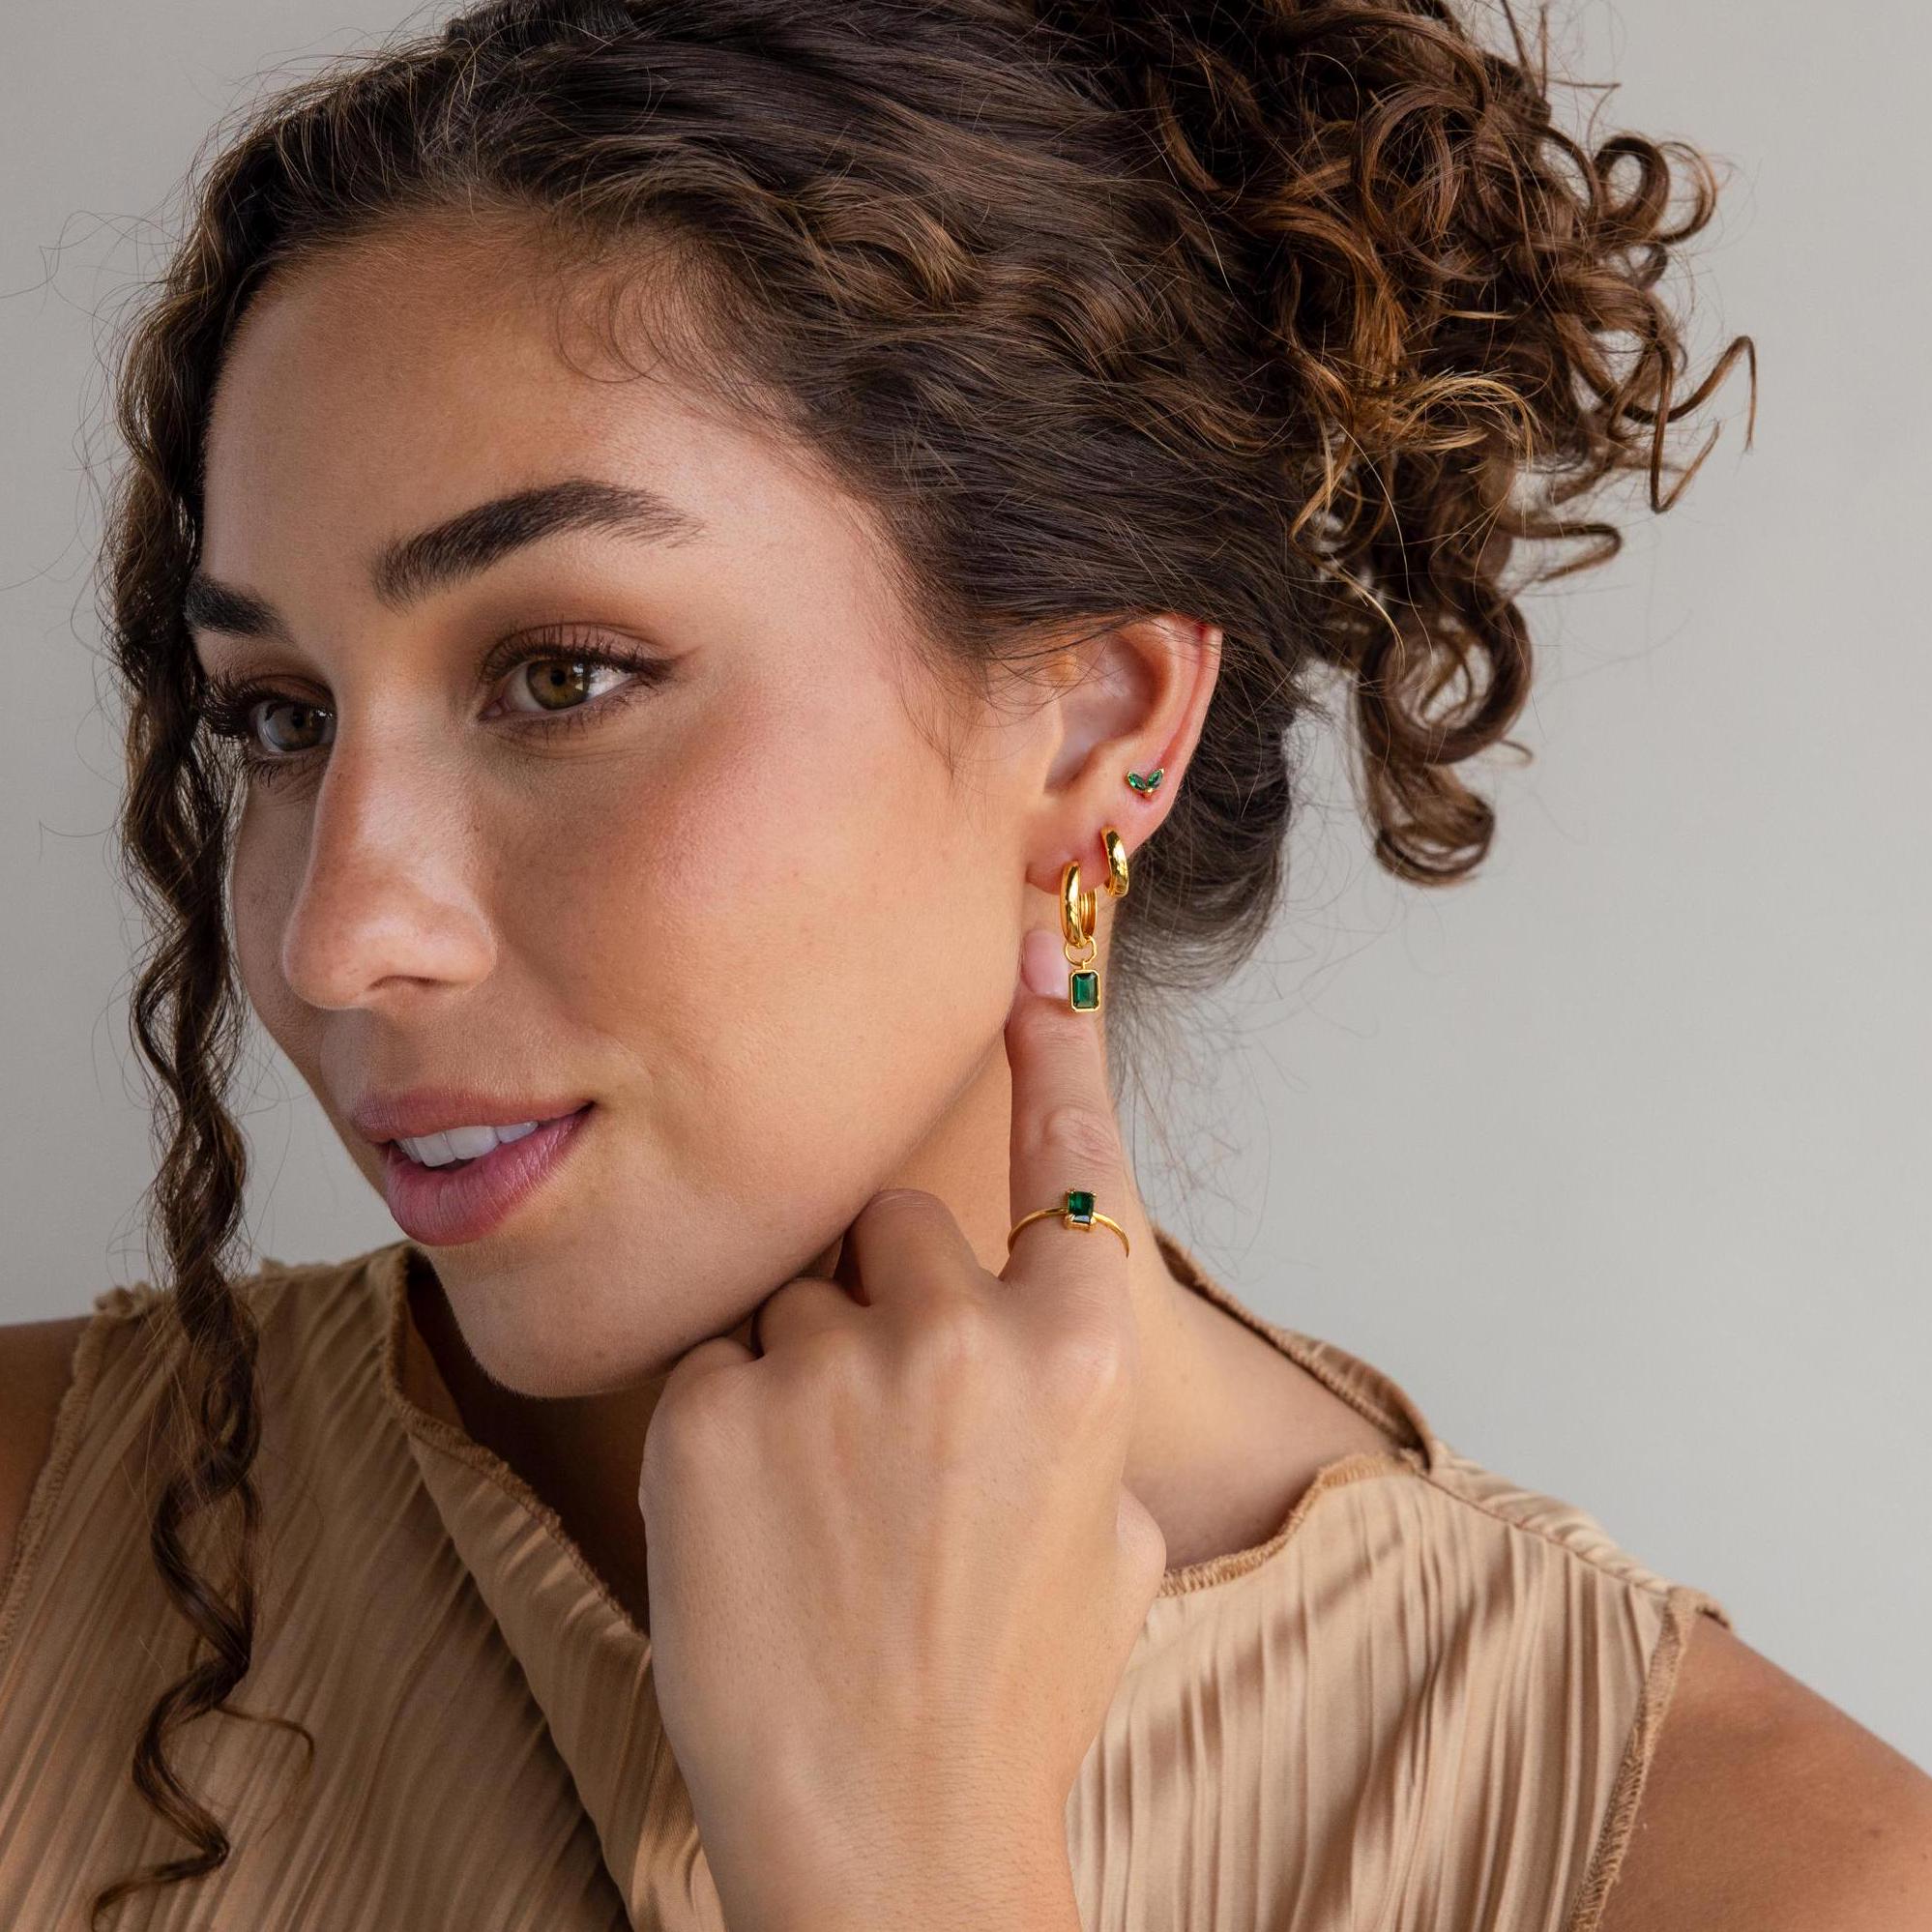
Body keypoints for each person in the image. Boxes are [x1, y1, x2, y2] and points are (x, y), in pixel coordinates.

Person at [2, 0, 1927, 1926]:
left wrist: (897, 1865)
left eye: (561, 676)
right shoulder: (40, 1545)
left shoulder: (1741, 1867)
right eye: (275, 719)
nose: (343, 937)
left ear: (1095, 728)